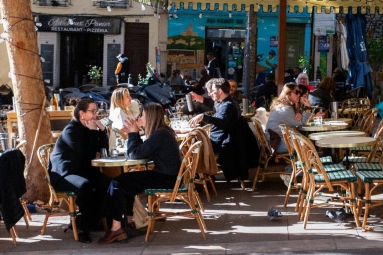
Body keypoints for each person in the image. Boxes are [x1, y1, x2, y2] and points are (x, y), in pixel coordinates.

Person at [100, 103, 181, 244]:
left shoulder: (160, 134)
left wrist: (133, 133)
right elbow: (141, 152)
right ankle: (129, 222)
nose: (139, 118)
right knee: (124, 181)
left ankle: (116, 228)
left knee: (117, 182)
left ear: (149, 117)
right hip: (168, 176)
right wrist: (134, 132)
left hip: (166, 178)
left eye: (142, 115)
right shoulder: (162, 132)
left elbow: (135, 155)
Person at [46, 98, 110, 243]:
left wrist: (102, 132)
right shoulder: (71, 130)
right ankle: (82, 228)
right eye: (92, 111)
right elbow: (87, 154)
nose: (96, 115)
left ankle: (97, 219)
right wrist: (94, 132)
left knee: (108, 183)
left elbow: (102, 150)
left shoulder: (89, 128)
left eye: (96, 111)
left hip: (82, 170)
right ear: (82, 113)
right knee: (85, 186)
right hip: (64, 173)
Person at [265, 84, 324, 153]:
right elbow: (302, 122)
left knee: (304, 142)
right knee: (305, 145)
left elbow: (297, 123)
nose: (299, 95)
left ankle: (300, 163)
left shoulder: (283, 105)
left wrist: (300, 116)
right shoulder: (286, 108)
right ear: (288, 93)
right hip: (276, 143)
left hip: (275, 139)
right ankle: (302, 163)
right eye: (296, 92)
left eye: (299, 92)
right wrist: (307, 108)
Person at [188, 78, 239, 155]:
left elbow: (221, 121)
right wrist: (198, 98)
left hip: (221, 145)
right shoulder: (224, 102)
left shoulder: (228, 105)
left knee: (190, 146)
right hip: (219, 140)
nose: (210, 94)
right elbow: (212, 103)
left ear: (220, 91)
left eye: (212, 90)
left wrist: (203, 116)